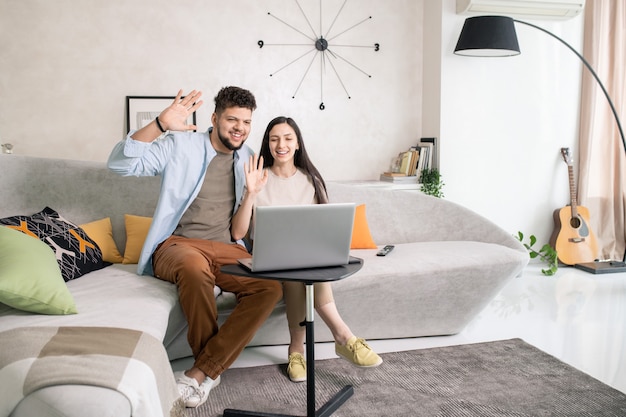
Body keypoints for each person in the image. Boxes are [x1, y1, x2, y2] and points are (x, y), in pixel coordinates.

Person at [107, 87, 283, 408]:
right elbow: (121, 165)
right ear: (214, 118)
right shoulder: (180, 144)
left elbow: (239, 228)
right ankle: (207, 371)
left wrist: (253, 196)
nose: (239, 127)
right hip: (177, 246)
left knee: (271, 284)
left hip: (224, 247)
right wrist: (160, 125)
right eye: (232, 119)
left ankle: (200, 372)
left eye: (246, 121)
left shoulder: (247, 156)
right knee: (194, 267)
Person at [231, 116, 382, 383]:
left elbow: (323, 227)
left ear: (298, 144)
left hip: (306, 258)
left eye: (288, 138)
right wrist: (251, 194)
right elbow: (238, 233)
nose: (281, 144)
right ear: (267, 143)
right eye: (275, 138)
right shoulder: (257, 178)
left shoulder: (311, 180)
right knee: (295, 270)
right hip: (270, 259)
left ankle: (297, 350)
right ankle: (343, 336)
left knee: (306, 269)